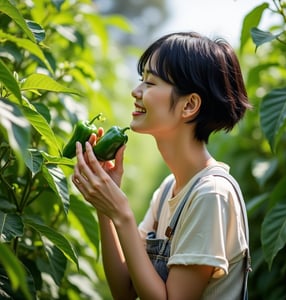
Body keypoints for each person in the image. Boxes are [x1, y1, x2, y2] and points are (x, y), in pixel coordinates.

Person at [72, 31, 252, 300]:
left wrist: (122, 212)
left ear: (189, 105)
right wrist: (105, 208)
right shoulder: (169, 189)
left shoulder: (210, 195)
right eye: (141, 80)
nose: (136, 91)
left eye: (150, 82)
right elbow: (125, 290)